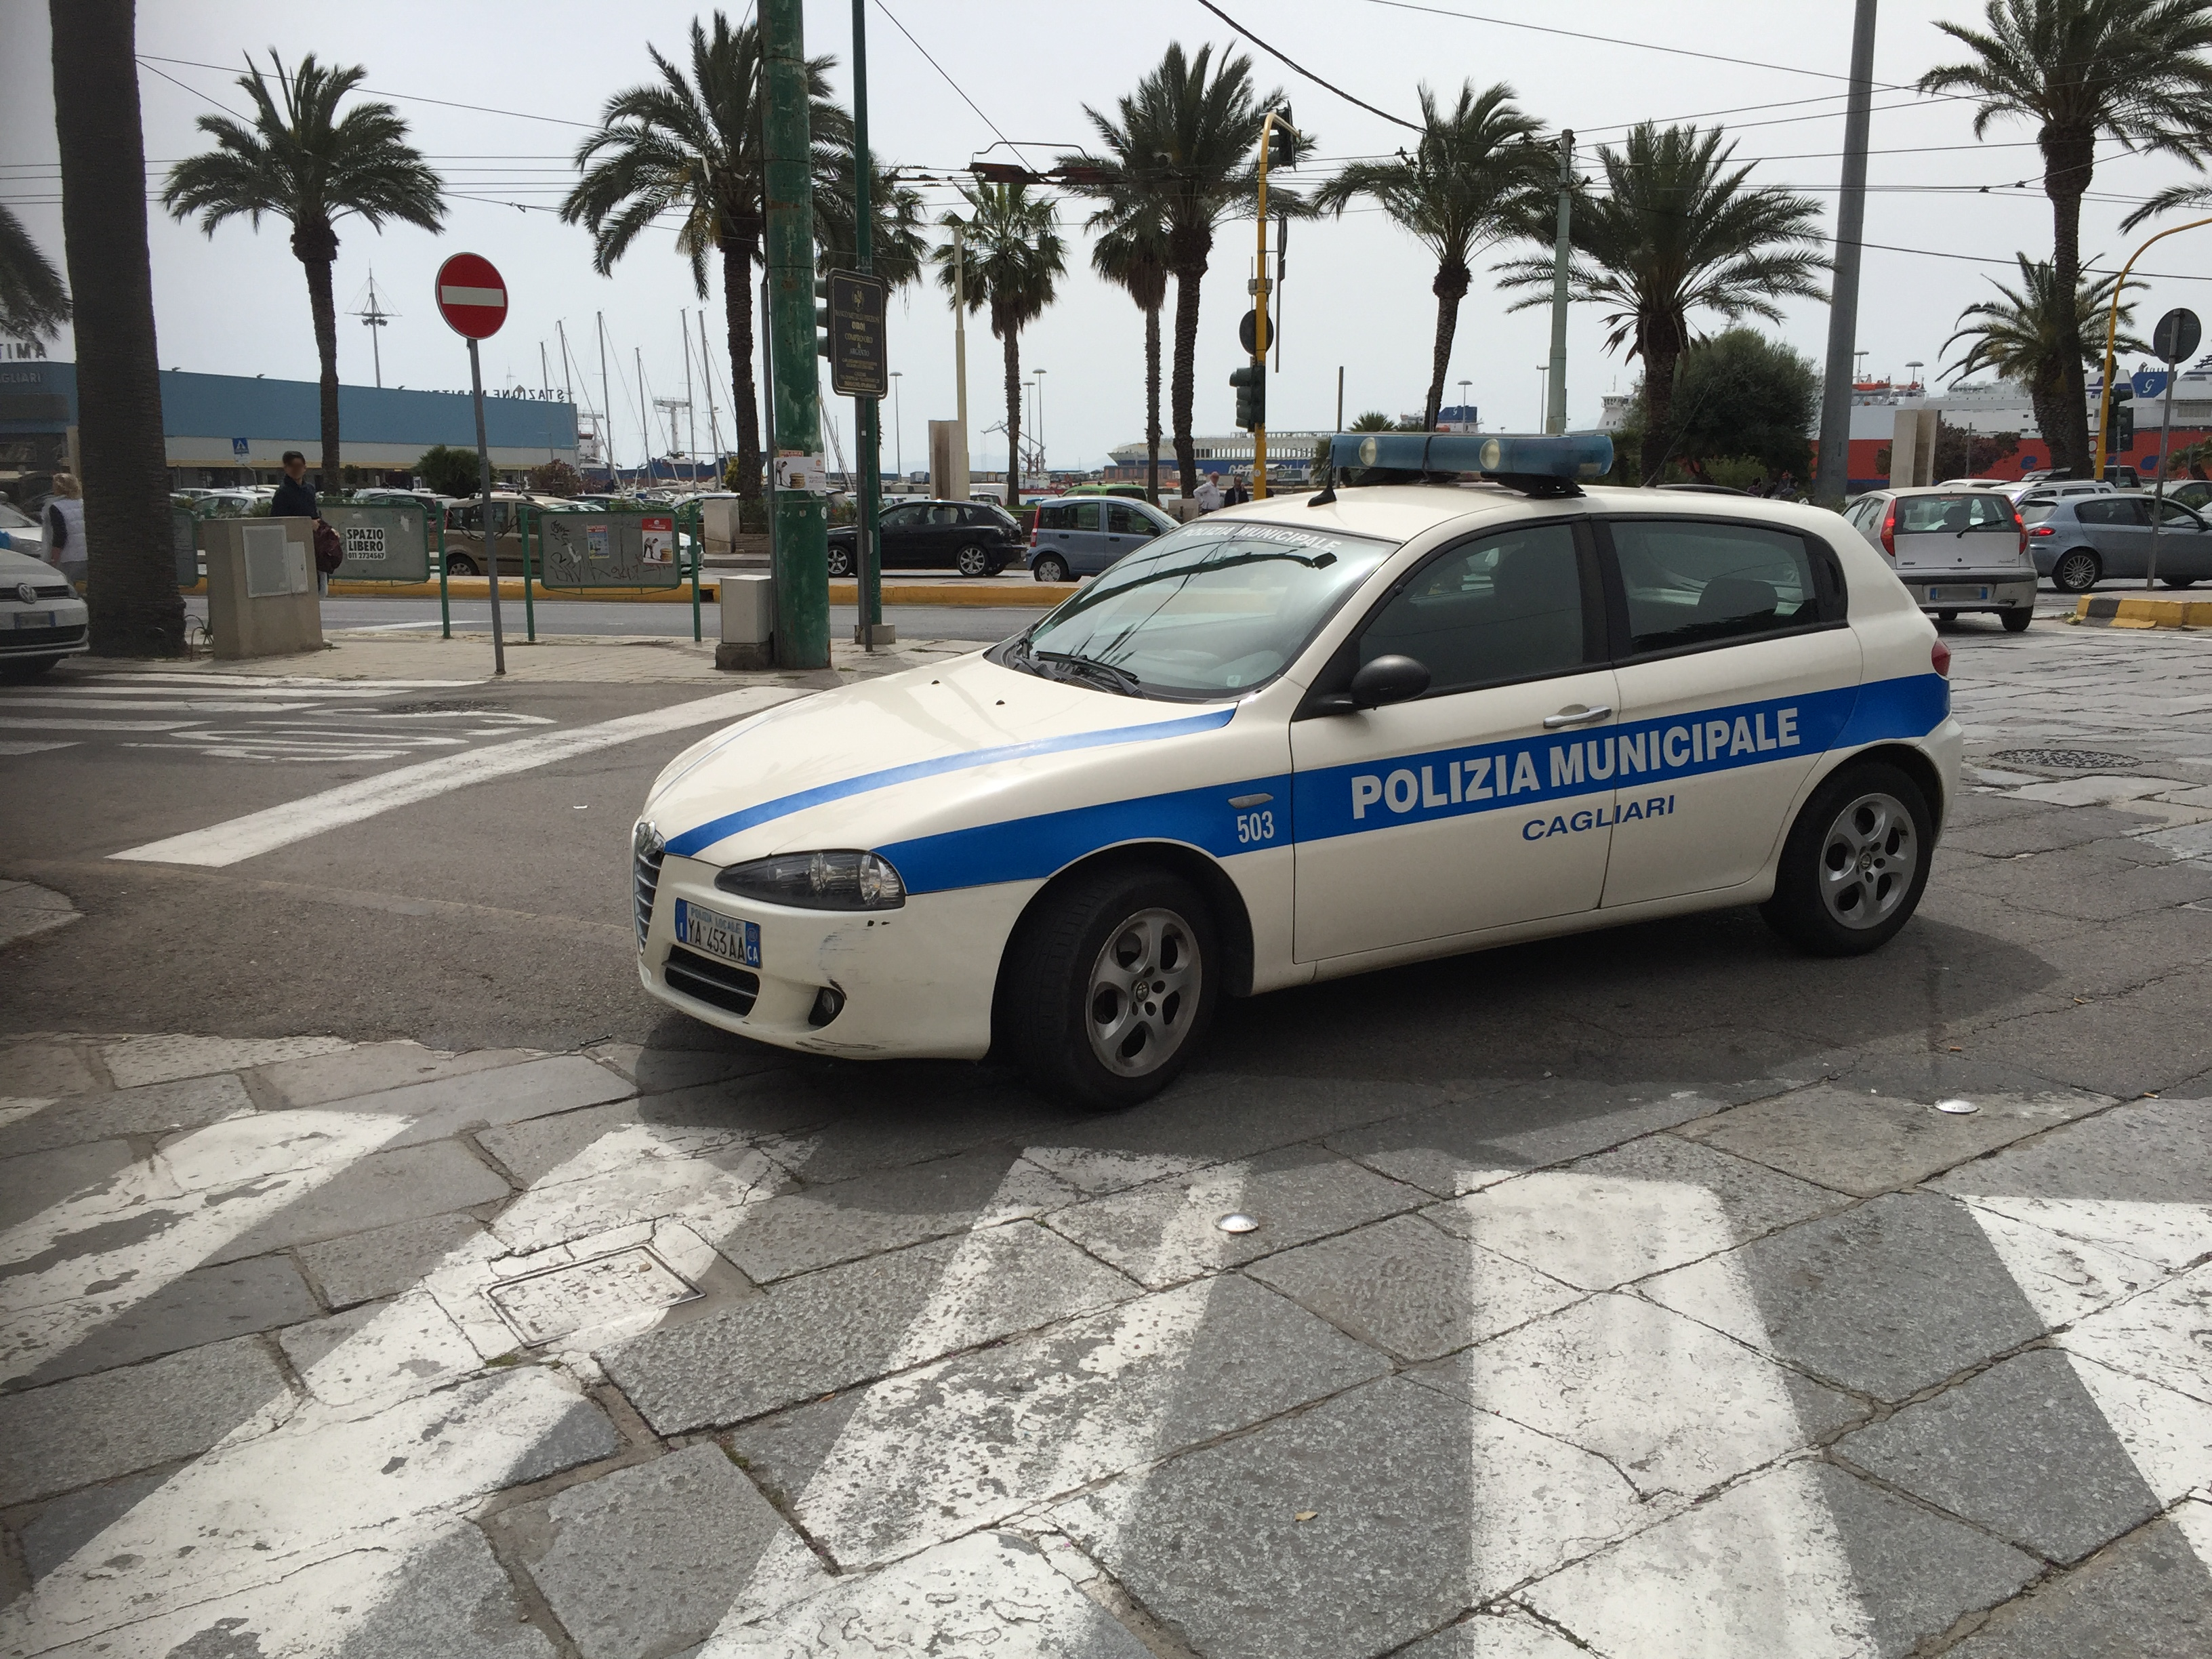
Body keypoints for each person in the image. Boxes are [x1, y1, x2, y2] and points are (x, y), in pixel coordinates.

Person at [270, 450, 331, 592]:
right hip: (293, 546)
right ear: (286, 468)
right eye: (291, 466)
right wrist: (306, 524)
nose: (296, 469)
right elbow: (277, 522)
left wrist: (325, 528)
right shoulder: (283, 493)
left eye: (299, 466)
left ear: (305, 467)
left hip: (312, 542)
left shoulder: (309, 489)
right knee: (300, 585)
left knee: (318, 582)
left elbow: (314, 515)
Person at [42, 472, 87, 590]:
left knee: (69, 587)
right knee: (84, 587)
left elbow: (60, 535)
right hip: (85, 554)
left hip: (68, 556)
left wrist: (53, 558)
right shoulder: (83, 503)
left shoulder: (56, 507)